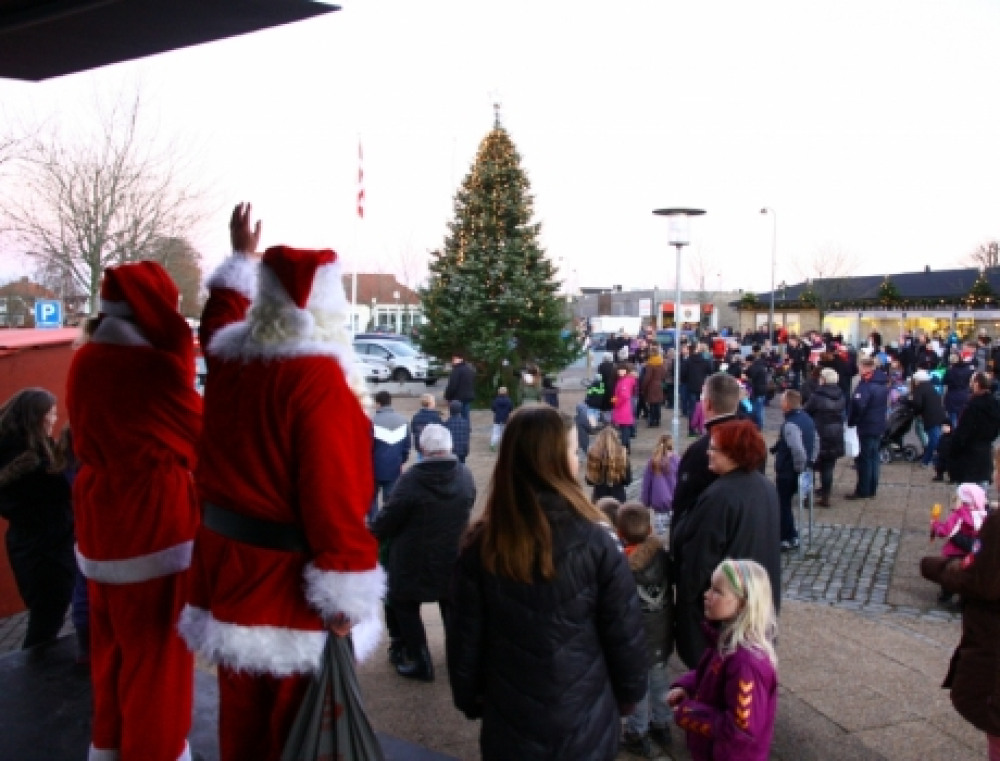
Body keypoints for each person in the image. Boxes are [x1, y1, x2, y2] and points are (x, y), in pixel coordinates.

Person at [178, 205, 383, 761]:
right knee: (297, 735)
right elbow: (334, 495)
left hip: (229, 574)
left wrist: (240, 259)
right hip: (289, 594)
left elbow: (217, 324)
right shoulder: (316, 380)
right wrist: (345, 590)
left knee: (240, 726)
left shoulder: (230, 362)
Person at [447, 405, 647, 760]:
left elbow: (464, 637)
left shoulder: (481, 544)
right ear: (553, 461)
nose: (577, 458)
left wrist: (471, 696)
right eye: (572, 450)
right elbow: (624, 633)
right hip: (584, 717)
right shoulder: (598, 541)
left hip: (511, 717)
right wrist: (630, 694)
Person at [67, 261, 203, 761]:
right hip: (153, 530)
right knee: (158, 662)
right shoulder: (154, 370)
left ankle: (109, 746)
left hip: (102, 528)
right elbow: (203, 436)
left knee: (112, 656)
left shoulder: (85, 360)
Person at [670, 421, 781, 668]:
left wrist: (689, 605)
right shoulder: (764, 487)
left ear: (733, 453)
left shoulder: (720, 496)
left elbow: (700, 558)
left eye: (714, 449)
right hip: (752, 601)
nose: (708, 453)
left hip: (724, 612)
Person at [372, 423, 475, 681]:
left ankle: (420, 660)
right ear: (450, 447)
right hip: (452, 557)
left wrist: (372, 532)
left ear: (422, 448)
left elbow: (388, 519)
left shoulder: (411, 480)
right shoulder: (464, 475)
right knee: (450, 605)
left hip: (411, 559)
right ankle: (458, 659)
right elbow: (468, 504)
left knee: (403, 604)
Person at [921, 452, 1000, 759]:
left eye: (996, 468)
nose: (994, 475)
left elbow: (981, 580)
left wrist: (939, 569)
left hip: (993, 641)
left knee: (992, 718)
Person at [668, 559, 778, 761]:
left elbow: (739, 729)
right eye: (711, 587)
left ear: (742, 604)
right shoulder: (724, 641)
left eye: (717, 591)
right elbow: (708, 673)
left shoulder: (746, 663)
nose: (706, 594)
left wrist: (689, 712)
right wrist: (686, 686)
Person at [0, 389, 75, 649]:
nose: (54, 418)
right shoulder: (32, 464)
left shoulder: (17, 454)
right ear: (36, 417)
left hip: (31, 546)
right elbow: (63, 492)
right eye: (51, 413)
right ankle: (35, 677)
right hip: (46, 552)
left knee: (46, 617)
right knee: (46, 622)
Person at [618, 504, 674, 757]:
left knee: (640, 684)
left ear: (620, 533)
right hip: (661, 630)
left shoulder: (622, 565)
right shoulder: (662, 557)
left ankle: (637, 731)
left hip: (636, 635)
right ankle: (662, 722)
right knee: (660, 677)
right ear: (650, 528)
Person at [671, 373, 753, 531]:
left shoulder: (701, 451)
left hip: (711, 538)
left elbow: (684, 506)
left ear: (707, 404)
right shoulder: (752, 443)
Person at [772, 390, 816, 551]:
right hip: (801, 469)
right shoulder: (807, 419)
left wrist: (800, 468)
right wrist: (811, 461)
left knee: (782, 504)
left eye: (782, 401)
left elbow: (797, 449)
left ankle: (787, 537)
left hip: (789, 471)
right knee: (785, 504)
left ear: (787, 404)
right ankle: (791, 535)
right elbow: (816, 440)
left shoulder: (791, 424)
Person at [929, 483, 988, 604]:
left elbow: (946, 531)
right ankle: (964, 598)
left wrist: (935, 525)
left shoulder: (959, 514)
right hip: (973, 553)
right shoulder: (983, 515)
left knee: (949, 573)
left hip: (955, 552)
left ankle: (946, 594)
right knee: (966, 575)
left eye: (956, 498)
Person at [846, 357, 889, 501]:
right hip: (878, 424)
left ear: (866, 368)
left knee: (864, 459)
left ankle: (863, 490)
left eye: (859, 367)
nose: (858, 370)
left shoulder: (866, 385)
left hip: (866, 426)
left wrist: (851, 421)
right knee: (874, 458)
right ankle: (871, 488)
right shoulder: (881, 382)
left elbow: (859, 406)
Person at [948, 371, 1000, 485]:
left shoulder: (973, 406)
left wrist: (953, 449)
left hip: (969, 456)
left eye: (972, 382)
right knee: (981, 494)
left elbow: (963, 432)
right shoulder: (994, 404)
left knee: (966, 495)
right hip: (985, 453)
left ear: (977, 384)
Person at [803, 368, 845, 508]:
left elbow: (807, 411)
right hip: (835, 433)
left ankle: (808, 498)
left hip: (819, 432)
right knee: (828, 467)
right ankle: (826, 496)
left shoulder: (817, 396)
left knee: (810, 466)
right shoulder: (841, 395)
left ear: (824, 379)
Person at [372, 389, 410, 523]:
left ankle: (374, 527)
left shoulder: (372, 422)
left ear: (378, 404)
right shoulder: (403, 422)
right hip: (394, 467)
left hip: (373, 469)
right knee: (390, 501)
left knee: (371, 500)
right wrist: (401, 460)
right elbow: (406, 447)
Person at [907, 369, 947, 469]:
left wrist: (913, 409)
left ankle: (928, 460)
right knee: (935, 439)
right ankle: (934, 459)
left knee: (934, 440)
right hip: (939, 415)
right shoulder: (930, 387)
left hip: (930, 417)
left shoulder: (919, 389)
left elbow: (917, 404)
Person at [641, 434, 679, 536]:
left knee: (660, 535)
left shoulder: (652, 462)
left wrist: (645, 502)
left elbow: (646, 484)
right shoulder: (677, 460)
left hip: (659, 504)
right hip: (675, 501)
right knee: (674, 532)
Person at [586, 426, 632, 503]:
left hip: (599, 496)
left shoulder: (594, 454)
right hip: (618, 496)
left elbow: (589, 481)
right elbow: (627, 480)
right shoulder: (622, 454)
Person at [685, 345, 712, 436]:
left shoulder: (688, 361)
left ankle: (691, 429)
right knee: (703, 408)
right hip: (702, 388)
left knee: (692, 409)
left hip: (691, 387)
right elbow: (710, 371)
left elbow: (683, 374)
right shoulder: (704, 361)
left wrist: (687, 381)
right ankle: (702, 428)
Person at [943, 353, 974, 428]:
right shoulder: (968, 369)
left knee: (952, 418)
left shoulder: (950, 371)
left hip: (952, 395)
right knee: (961, 417)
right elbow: (970, 382)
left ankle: (954, 434)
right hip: (964, 394)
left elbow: (944, 381)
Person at [611, 363, 637, 450]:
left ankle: (624, 448)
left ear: (626, 371)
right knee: (624, 428)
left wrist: (615, 402)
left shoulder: (624, 381)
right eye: (619, 370)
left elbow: (624, 396)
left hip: (623, 408)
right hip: (624, 408)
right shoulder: (624, 380)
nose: (621, 372)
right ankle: (627, 447)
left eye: (623, 370)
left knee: (624, 429)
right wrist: (614, 400)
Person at [444, 351, 476, 420]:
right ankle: (466, 429)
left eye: (455, 359)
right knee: (465, 416)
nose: (453, 361)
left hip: (457, 398)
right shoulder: (469, 369)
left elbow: (452, 385)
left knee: (455, 416)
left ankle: (456, 429)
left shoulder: (456, 370)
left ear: (461, 359)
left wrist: (447, 397)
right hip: (467, 397)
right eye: (453, 359)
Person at [412, 394, 444, 460]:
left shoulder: (416, 417)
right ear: (430, 404)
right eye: (434, 401)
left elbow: (413, 430)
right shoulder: (436, 417)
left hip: (420, 447)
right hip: (432, 448)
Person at [641, 348, 667, 427]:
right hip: (659, 385)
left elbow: (647, 378)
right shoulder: (661, 363)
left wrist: (643, 387)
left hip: (651, 386)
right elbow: (664, 375)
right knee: (658, 404)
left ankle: (652, 421)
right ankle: (657, 420)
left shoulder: (650, 364)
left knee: (652, 404)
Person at [744, 349, 769, 431]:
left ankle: (758, 426)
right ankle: (759, 425)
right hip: (762, 389)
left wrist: (746, 377)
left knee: (756, 410)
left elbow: (752, 378)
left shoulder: (755, 367)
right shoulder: (761, 365)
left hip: (758, 390)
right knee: (760, 409)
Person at [444, 400, 471, 464]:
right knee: (461, 468)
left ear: (450, 410)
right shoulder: (465, 423)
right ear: (460, 410)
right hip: (462, 451)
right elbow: (467, 437)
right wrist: (466, 450)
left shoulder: (446, 423)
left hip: (450, 451)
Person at [490, 386, 513, 451]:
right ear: (506, 393)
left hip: (497, 419)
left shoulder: (496, 400)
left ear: (498, 393)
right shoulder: (509, 400)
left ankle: (493, 444)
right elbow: (511, 409)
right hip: (505, 419)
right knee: (505, 433)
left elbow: (493, 408)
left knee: (495, 432)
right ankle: (505, 445)